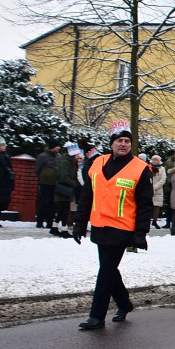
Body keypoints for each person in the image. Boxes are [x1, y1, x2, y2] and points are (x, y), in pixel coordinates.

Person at [72, 124, 153, 330]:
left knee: (106, 271)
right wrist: (79, 224)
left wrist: (141, 233)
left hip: (123, 228)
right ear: (112, 144)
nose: (123, 144)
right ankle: (124, 303)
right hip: (100, 226)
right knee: (109, 270)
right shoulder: (97, 163)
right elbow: (86, 196)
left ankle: (96, 316)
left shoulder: (140, 169)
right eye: (119, 141)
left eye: (127, 141)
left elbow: (145, 204)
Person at [53, 142, 80, 238]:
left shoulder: (72, 162)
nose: (79, 155)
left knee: (63, 209)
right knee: (64, 210)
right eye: (77, 153)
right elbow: (64, 176)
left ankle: (55, 227)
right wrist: (74, 184)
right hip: (64, 189)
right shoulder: (66, 162)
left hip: (68, 189)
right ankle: (63, 229)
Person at [35, 139, 61, 229]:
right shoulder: (42, 156)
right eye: (57, 146)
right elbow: (37, 169)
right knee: (42, 202)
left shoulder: (59, 156)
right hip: (45, 182)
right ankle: (39, 222)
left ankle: (50, 222)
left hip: (55, 183)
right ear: (52, 147)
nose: (58, 148)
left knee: (52, 203)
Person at [150, 155, 166, 229]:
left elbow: (163, 179)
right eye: (153, 160)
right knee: (148, 205)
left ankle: (155, 220)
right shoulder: (148, 167)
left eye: (156, 160)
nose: (154, 161)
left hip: (158, 190)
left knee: (156, 206)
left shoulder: (162, 169)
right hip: (149, 188)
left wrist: (155, 186)